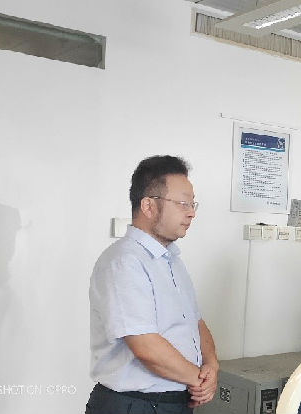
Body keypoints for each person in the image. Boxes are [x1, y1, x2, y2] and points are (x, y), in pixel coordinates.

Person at [87, 155, 217, 414]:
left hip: (175, 401)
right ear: (148, 206)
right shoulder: (124, 262)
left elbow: (196, 323)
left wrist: (211, 365)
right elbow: (146, 346)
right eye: (182, 203)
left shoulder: (172, 261)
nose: (191, 212)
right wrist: (199, 380)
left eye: (193, 204)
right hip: (135, 405)